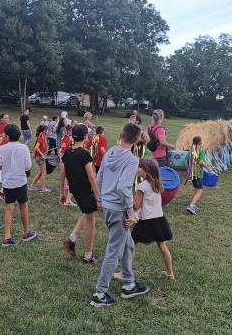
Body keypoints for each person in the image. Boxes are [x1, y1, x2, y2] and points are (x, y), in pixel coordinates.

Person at [90, 123, 149, 307]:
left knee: (127, 243)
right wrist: (130, 212)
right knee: (113, 252)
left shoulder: (109, 152)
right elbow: (123, 187)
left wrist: (100, 199)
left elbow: (99, 177)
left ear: (121, 134)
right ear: (137, 140)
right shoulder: (132, 160)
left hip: (108, 206)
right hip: (119, 209)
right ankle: (100, 294)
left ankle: (129, 284)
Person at [59, 124, 102, 263]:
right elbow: (91, 177)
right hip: (85, 192)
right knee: (91, 223)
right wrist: (98, 197)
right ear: (85, 137)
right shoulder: (84, 154)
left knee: (86, 213)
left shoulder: (66, 152)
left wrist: (62, 193)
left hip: (75, 191)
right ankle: (88, 255)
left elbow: (62, 174)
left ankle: (72, 238)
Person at [131, 159, 174, 279]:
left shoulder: (142, 186)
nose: (136, 169)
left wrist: (128, 196)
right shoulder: (156, 183)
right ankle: (170, 274)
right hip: (159, 219)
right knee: (162, 246)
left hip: (147, 221)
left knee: (131, 243)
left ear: (146, 170)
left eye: (139, 167)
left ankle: (126, 273)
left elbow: (136, 206)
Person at [0, 124, 36, 247]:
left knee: (9, 208)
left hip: (7, 183)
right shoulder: (24, 148)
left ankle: (7, 237)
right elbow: (28, 166)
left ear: (7, 136)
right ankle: (26, 233)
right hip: (20, 182)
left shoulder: (2, 148)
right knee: (23, 205)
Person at [185, 136, 207, 215]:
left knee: (195, 188)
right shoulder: (201, 151)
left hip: (192, 174)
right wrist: (208, 167)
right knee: (200, 190)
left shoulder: (190, 151)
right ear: (200, 143)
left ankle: (193, 204)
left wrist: (188, 171)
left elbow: (186, 162)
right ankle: (191, 206)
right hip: (198, 174)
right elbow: (201, 162)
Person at [59, 125, 77, 207]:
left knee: (65, 177)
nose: (72, 132)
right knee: (70, 177)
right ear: (69, 130)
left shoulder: (67, 137)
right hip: (66, 159)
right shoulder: (67, 138)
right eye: (71, 130)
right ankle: (66, 198)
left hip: (65, 158)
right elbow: (63, 148)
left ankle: (64, 197)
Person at [29, 124, 50, 193]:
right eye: (47, 130)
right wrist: (42, 155)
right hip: (39, 157)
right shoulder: (41, 137)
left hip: (40, 157)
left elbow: (43, 148)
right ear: (44, 131)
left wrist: (45, 154)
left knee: (41, 172)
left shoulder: (44, 137)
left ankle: (32, 185)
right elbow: (36, 147)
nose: (48, 131)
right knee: (44, 172)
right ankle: (43, 188)